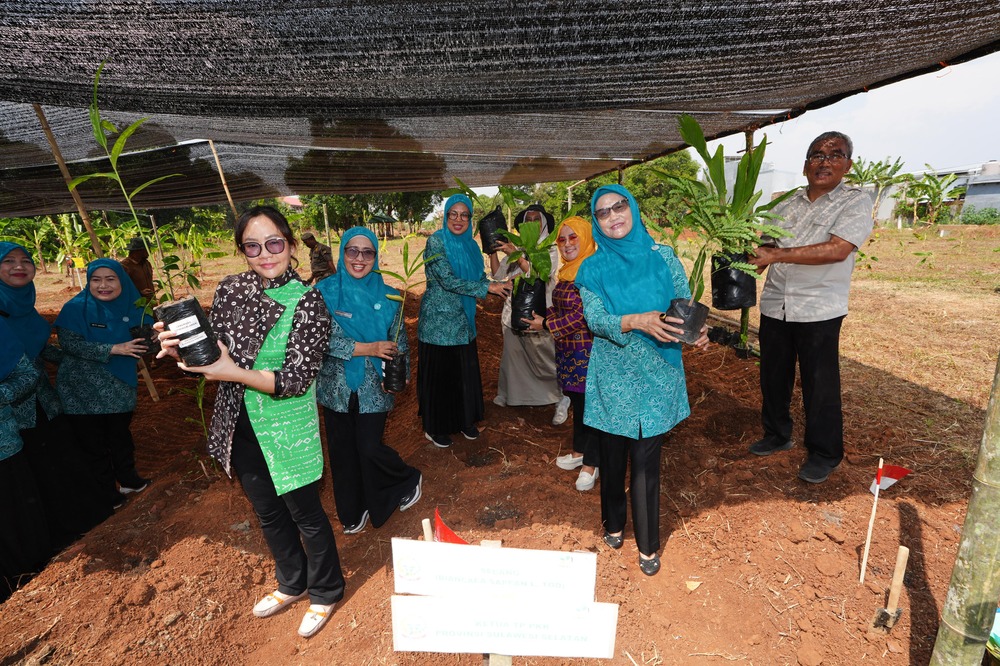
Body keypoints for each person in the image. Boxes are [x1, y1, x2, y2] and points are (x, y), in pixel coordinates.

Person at [157, 206, 344, 639]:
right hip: (238, 421)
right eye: (253, 246)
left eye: (274, 243)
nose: (265, 254)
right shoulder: (231, 289)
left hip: (285, 424)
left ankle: (326, 590)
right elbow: (213, 344)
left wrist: (234, 373)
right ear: (242, 251)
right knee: (267, 511)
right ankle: (292, 583)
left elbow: (297, 379)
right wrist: (174, 345)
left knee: (306, 514)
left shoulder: (310, 301)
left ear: (291, 245)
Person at [575, 184, 708, 576]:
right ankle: (613, 524)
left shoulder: (663, 257)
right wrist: (636, 321)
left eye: (620, 207)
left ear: (632, 209)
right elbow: (595, 320)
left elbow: (684, 307)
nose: (614, 216)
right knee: (613, 459)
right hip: (613, 374)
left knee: (647, 463)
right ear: (597, 222)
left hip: (658, 372)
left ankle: (648, 546)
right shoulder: (592, 269)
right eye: (603, 212)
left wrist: (697, 332)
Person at [747, 131, 873, 484]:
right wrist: (746, 259)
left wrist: (776, 255)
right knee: (773, 377)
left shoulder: (854, 202)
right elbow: (764, 248)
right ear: (805, 165)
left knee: (820, 384)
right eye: (816, 154)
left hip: (819, 308)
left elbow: (837, 249)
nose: (824, 161)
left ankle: (824, 452)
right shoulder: (784, 204)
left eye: (835, 155)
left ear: (847, 165)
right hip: (776, 304)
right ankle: (777, 434)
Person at [0, 243, 110, 544]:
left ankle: (81, 524)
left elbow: (38, 349)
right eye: (8, 261)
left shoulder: (22, 305)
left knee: (60, 459)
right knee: (31, 474)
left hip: (42, 400)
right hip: (12, 413)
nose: (18, 266)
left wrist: (94, 356)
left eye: (25, 260)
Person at [315, 227, 422, 534]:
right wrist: (368, 348)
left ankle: (406, 479)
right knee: (341, 450)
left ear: (375, 256)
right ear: (342, 253)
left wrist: (399, 376)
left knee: (368, 447)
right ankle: (352, 510)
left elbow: (398, 341)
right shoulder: (323, 292)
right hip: (335, 386)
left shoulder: (389, 296)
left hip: (375, 384)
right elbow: (321, 341)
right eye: (352, 251)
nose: (359, 258)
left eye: (367, 252)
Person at [54, 259, 152, 510]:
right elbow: (70, 344)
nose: (103, 285)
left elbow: (149, 338)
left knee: (120, 434)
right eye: (96, 279)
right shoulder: (75, 308)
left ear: (122, 280)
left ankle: (128, 479)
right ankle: (107, 493)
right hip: (82, 389)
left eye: (111, 279)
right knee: (93, 442)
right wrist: (114, 348)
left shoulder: (136, 306)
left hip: (119, 385)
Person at [417, 194, 510, 448]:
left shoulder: (470, 245)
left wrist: (496, 284)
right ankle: (434, 427)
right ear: (445, 216)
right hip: (439, 322)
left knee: (462, 373)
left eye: (464, 215)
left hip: (463, 321)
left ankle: (464, 420)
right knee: (442, 376)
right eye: (453, 214)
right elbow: (447, 280)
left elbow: (479, 276)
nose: (458, 220)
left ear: (470, 218)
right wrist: (488, 288)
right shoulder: (436, 242)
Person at [523, 216, 601, 491]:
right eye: (562, 238)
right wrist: (546, 316)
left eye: (573, 237)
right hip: (570, 352)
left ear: (586, 238)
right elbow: (559, 306)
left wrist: (545, 323)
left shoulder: (590, 272)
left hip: (588, 352)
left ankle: (593, 463)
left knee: (591, 409)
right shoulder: (568, 271)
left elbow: (582, 316)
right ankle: (580, 452)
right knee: (579, 405)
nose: (567, 244)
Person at [489, 204, 562, 417]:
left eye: (535, 220)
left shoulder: (549, 248)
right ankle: (510, 393)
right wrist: (492, 250)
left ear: (543, 224)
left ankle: (561, 395)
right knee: (514, 354)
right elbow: (496, 273)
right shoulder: (517, 247)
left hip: (540, 311)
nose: (530, 224)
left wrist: (517, 256)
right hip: (514, 310)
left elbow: (540, 274)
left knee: (544, 356)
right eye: (527, 220)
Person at [0, 319, 50, 603]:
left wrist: (0, 394)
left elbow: (27, 374)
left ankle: (25, 589)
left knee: (15, 522)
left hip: (3, 448)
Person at [119, 237, 156, 301]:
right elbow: (121, 287)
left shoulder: (146, 264)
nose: (149, 251)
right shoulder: (125, 266)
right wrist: (139, 292)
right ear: (138, 251)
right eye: (147, 249)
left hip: (151, 303)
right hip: (136, 304)